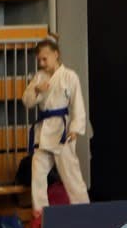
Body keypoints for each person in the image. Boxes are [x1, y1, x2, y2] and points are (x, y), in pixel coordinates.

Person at [22, 37, 90, 217]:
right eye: (39, 60)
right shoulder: (39, 77)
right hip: (44, 130)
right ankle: (40, 212)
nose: (42, 63)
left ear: (56, 54)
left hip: (62, 131)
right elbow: (27, 101)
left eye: (45, 59)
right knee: (37, 171)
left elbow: (77, 104)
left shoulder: (69, 76)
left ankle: (84, 210)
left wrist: (75, 128)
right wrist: (36, 90)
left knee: (70, 174)